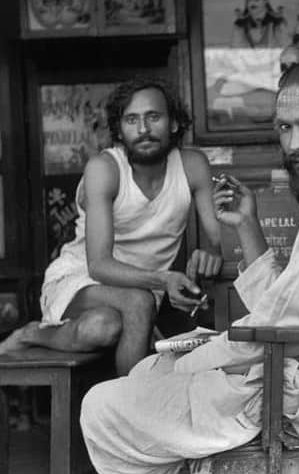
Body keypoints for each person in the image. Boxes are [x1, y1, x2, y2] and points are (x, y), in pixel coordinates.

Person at [79, 60, 299, 474]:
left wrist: (192, 361)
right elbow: (293, 304)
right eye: (284, 128)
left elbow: (291, 324)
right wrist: (247, 226)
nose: (295, 143)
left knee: (102, 407)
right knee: (148, 376)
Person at [0, 78, 223, 376]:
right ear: (119, 130)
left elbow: (219, 234)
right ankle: (131, 412)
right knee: (138, 302)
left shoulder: (192, 165)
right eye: (132, 120)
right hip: (81, 279)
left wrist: (211, 251)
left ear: (173, 123)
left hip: (143, 287)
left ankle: (31, 333)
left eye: (153, 117)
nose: (143, 129)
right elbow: (99, 265)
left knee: (102, 328)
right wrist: (163, 279)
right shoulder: (105, 169)